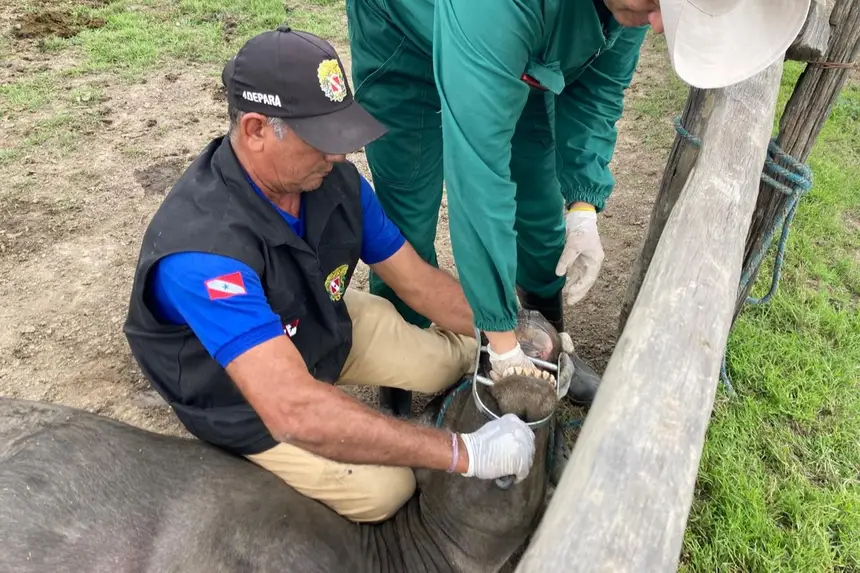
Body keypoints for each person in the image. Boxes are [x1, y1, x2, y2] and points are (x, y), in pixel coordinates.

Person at [123, 28, 549, 524]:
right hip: (239, 393)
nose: (340, 156)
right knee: (386, 490)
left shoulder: (331, 181)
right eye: (322, 139)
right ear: (256, 130)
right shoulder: (205, 255)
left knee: (442, 363)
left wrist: (518, 332)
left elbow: (416, 281)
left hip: (316, 324)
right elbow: (292, 408)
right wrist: (464, 452)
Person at [345, 0, 813, 415]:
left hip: (525, 48)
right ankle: (399, 391)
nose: (655, 24)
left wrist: (583, 209)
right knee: (407, 213)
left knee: (539, 193)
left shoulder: (634, 8)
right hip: (406, 34)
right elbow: (477, 170)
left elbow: (597, 95)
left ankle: (548, 346)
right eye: (655, 5)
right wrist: (502, 341)